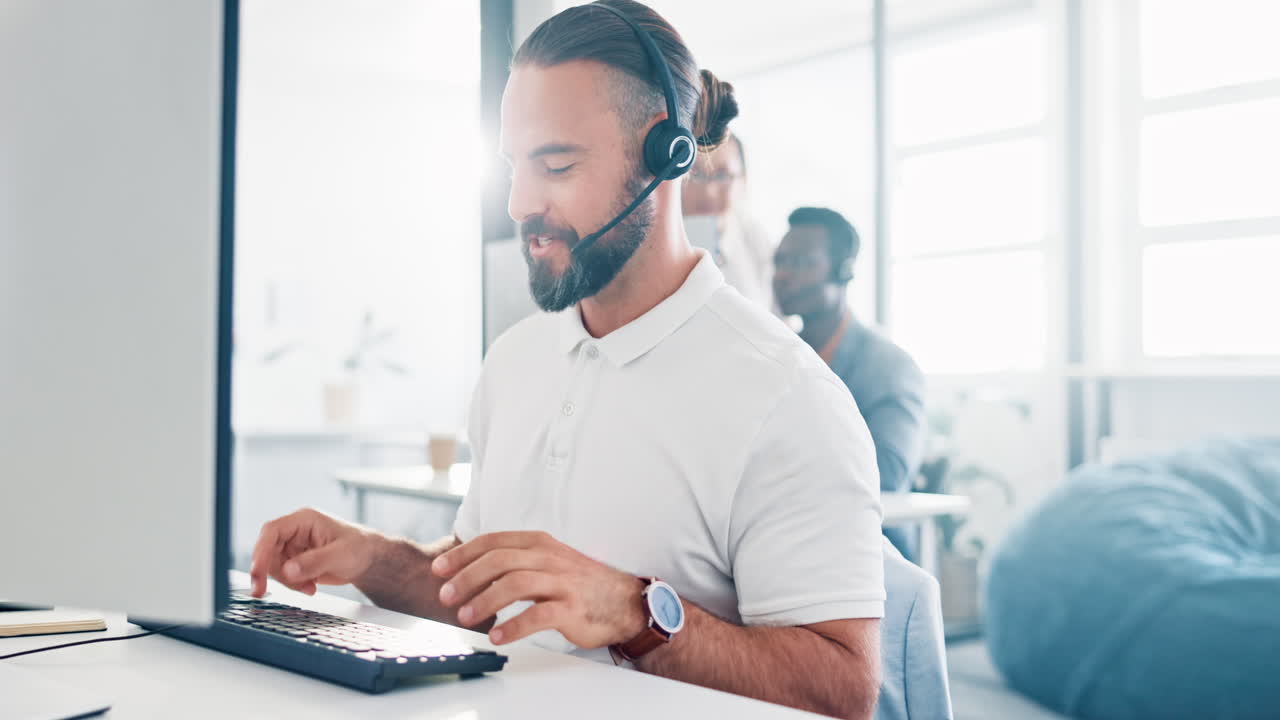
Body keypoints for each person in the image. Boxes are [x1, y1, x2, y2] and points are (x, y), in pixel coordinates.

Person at [250, 3, 884, 717]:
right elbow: (488, 600)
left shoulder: (787, 396)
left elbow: (846, 690)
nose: (520, 203)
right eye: (513, 167)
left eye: (555, 164)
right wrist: (373, 558)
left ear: (664, 154)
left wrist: (635, 613)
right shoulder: (515, 361)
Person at [772, 207, 926, 562]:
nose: (782, 275)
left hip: (870, 557)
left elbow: (888, 473)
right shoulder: (778, 356)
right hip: (789, 547)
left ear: (843, 270)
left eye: (801, 263)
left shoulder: (888, 366)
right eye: (779, 262)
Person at [681, 133, 775, 307]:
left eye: (722, 176)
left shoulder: (756, 240)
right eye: (695, 174)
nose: (709, 191)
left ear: (743, 181)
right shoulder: (651, 241)